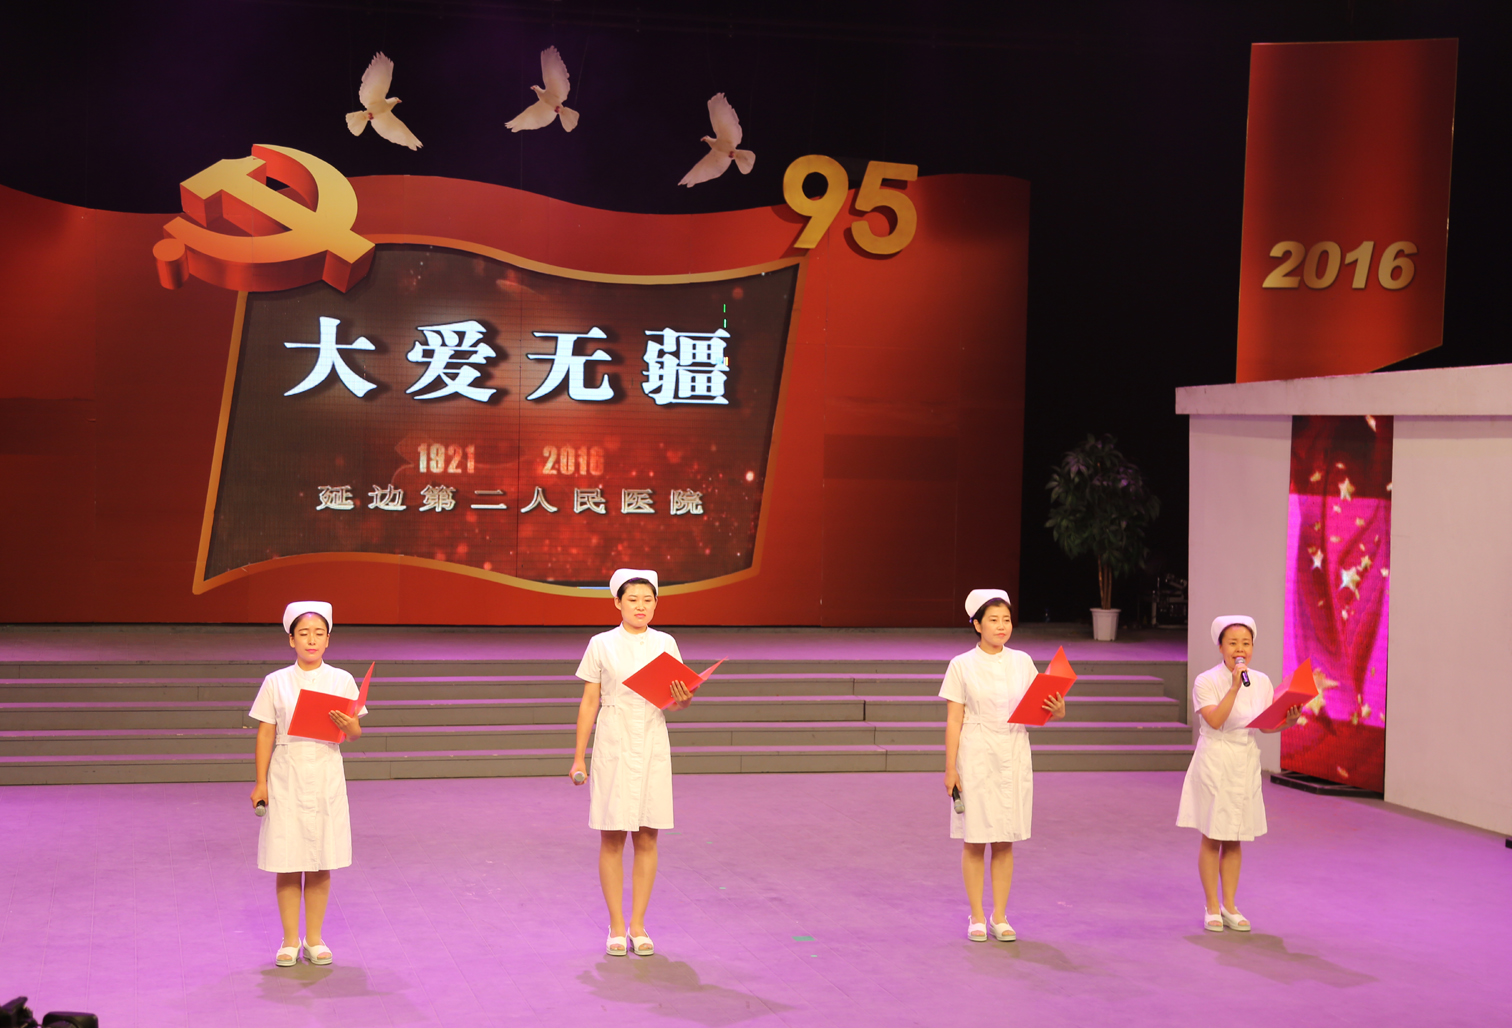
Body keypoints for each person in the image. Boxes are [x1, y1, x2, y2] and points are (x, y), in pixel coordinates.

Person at [569, 569, 693, 957]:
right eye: (633, 599)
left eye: (648, 600)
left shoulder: (665, 642)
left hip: (652, 739)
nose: (641, 606)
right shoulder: (601, 644)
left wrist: (684, 699)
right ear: (617, 603)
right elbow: (590, 701)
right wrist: (579, 756)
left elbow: (676, 701)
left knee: (648, 835)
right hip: (614, 740)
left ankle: (638, 925)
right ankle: (616, 925)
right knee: (612, 835)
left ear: (656, 604)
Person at [940, 589, 1066, 943]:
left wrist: (1058, 711)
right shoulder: (961, 665)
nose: (1001, 626)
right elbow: (953, 720)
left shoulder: (1022, 661)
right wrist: (950, 768)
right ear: (977, 625)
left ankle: (1000, 916)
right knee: (975, 838)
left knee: (1004, 839)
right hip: (975, 754)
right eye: (993, 620)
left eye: (1006, 620)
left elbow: (1040, 707)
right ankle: (977, 916)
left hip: (1013, 751)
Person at [248, 601, 366, 967]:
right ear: (291, 640)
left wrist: (350, 727)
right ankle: (289, 940)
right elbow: (265, 733)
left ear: (328, 639)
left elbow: (355, 733)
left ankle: (314, 939)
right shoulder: (276, 681)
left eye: (319, 634)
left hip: (326, 771)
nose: (311, 640)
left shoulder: (342, 680)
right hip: (286, 774)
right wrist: (260, 782)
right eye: (303, 634)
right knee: (287, 859)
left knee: (319, 859)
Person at [1176, 615, 1301, 932]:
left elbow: (1265, 725)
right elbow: (1215, 720)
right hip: (1216, 760)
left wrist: (1288, 722)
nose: (1240, 649)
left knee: (1235, 837)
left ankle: (1230, 905)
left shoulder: (1261, 681)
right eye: (1232, 643)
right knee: (1213, 834)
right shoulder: (1206, 681)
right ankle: (1211, 906)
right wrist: (1234, 686)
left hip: (1245, 762)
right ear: (1220, 647)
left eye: (1246, 643)